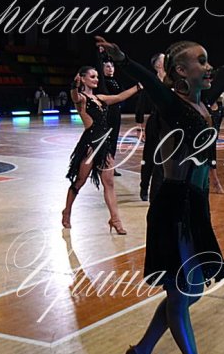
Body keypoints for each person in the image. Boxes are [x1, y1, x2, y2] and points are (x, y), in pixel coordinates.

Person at [96, 35, 224, 354]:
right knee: (181, 295)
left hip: (196, 206)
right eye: (201, 61)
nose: (208, 67)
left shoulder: (200, 102)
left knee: (188, 293)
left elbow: (222, 78)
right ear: (180, 71)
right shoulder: (172, 105)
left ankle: (142, 350)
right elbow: (151, 83)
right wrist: (124, 60)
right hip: (174, 207)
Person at [61, 66, 141, 234]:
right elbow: (74, 96)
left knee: (109, 183)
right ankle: (67, 211)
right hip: (90, 146)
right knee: (79, 181)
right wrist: (74, 86)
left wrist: (139, 86)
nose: (96, 79)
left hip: (104, 145)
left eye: (97, 76)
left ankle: (115, 220)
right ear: (83, 79)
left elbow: (119, 97)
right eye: (92, 76)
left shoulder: (100, 98)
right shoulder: (81, 99)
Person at [135, 53, 166, 201]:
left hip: (169, 123)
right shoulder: (151, 81)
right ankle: (144, 186)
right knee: (149, 156)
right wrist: (139, 126)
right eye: (164, 59)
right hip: (154, 122)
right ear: (158, 65)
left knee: (164, 157)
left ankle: (160, 188)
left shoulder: (173, 80)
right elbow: (141, 104)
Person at [96, 48, 129, 176]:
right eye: (107, 67)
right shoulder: (101, 82)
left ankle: (110, 165)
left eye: (112, 66)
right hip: (106, 113)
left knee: (114, 139)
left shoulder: (116, 81)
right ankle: (101, 164)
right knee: (106, 139)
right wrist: (100, 55)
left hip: (115, 113)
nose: (110, 69)